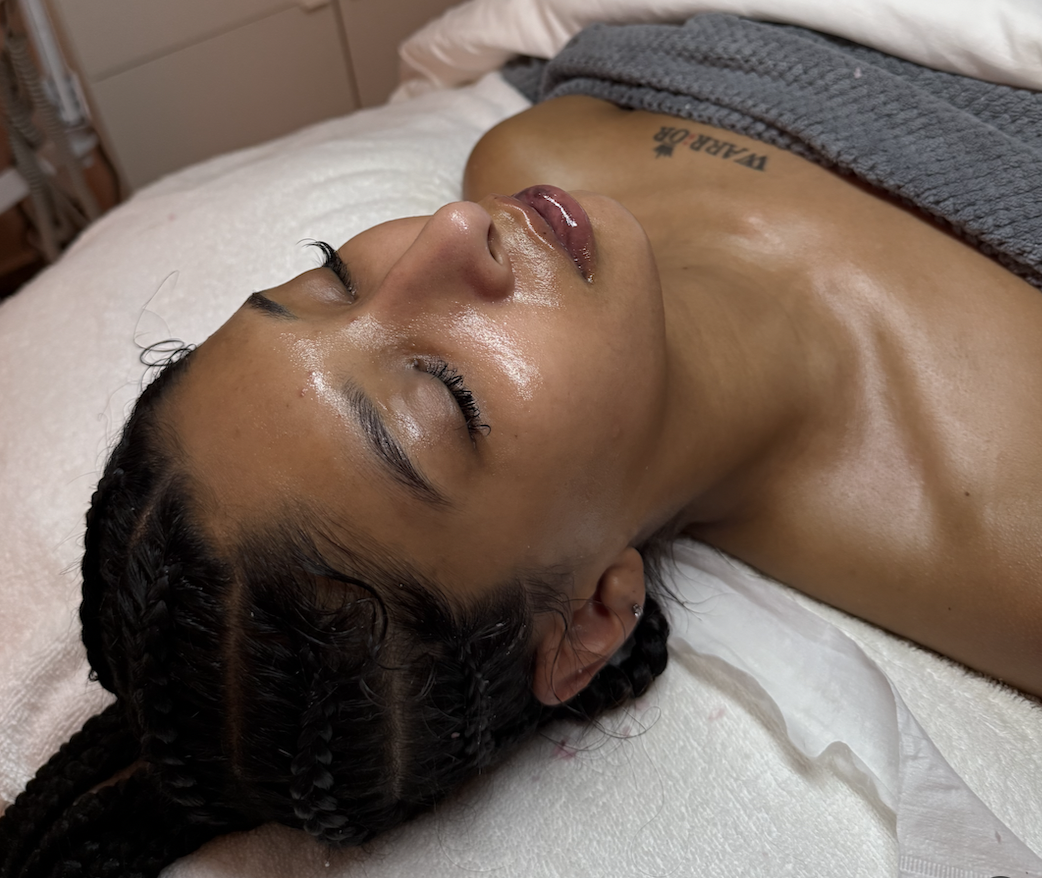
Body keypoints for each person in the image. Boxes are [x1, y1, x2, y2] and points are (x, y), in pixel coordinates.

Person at [3, 56, 1042, 877]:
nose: (452, 232)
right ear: (594, 616)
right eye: (447, 397)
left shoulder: (536, 141)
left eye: (335, 275)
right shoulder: (1015, 546)